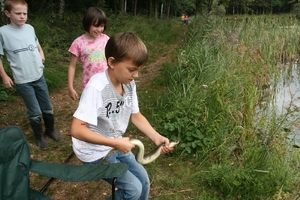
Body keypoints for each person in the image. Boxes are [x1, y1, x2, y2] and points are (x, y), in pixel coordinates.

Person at [70, 31, 174, 200]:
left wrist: (156, 136)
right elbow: (76, 129)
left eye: (139, 70)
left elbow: (136, 115)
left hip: (116, 144)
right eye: (132, 70)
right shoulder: (97, 88)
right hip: (96, 153)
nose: (136, 75)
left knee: (144, 182)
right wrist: (114, 142)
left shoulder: (129, 84)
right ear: (112, 62)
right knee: (132, 190)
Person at [0, 0, 61, 150]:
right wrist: (4, 76)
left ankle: (50, 130)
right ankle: (39, 136)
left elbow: (35, 42)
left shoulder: (29, 28)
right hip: (23, 80)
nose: (22, 16)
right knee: (34, 111)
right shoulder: (3, 32)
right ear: (7, 13)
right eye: (18, 13)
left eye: (24, 13)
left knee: (47, 107)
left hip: (38, 75)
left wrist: (41, 51)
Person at [68, 7, 109, 100]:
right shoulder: (78, 43)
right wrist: (70, 87)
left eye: (102, 26)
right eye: (96, 26)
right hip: (90, 86)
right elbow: (72, 66)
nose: (99, 29)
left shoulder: (106, 39)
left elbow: (112, 59)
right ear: (87, 24)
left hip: (107, 83)